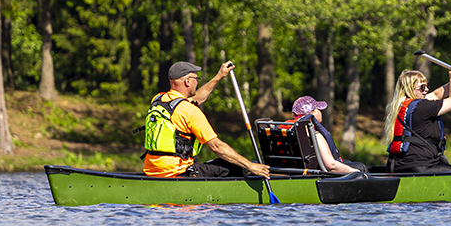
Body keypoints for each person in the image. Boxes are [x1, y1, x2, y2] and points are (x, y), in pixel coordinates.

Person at [142, 61, 271, 179]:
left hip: (154, 171)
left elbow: (197, 97)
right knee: (237, 166)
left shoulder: (158, 100)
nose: (197, 82)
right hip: (180, 172)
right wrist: (250, 166)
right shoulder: (191, 111)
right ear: (187, 81)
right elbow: (217, 146)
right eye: (195, 79)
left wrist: (219, 76)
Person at [383, 66, 451, 173]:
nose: (426, 90)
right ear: (410, 88)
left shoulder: (405, 105)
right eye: (422, 87)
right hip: (421, 165)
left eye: (427, 86)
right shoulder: (422, 107)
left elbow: (436, 94)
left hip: (401, 164)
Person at [286, 96, 366, 174]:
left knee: (348, 162)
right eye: (318, 109)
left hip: (298, 169)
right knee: (361, 167)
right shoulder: (314, 135)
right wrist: (354, 172)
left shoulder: (289, 131)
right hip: (323, 173)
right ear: (312, 113)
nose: (320, 112)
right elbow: (331, 166)